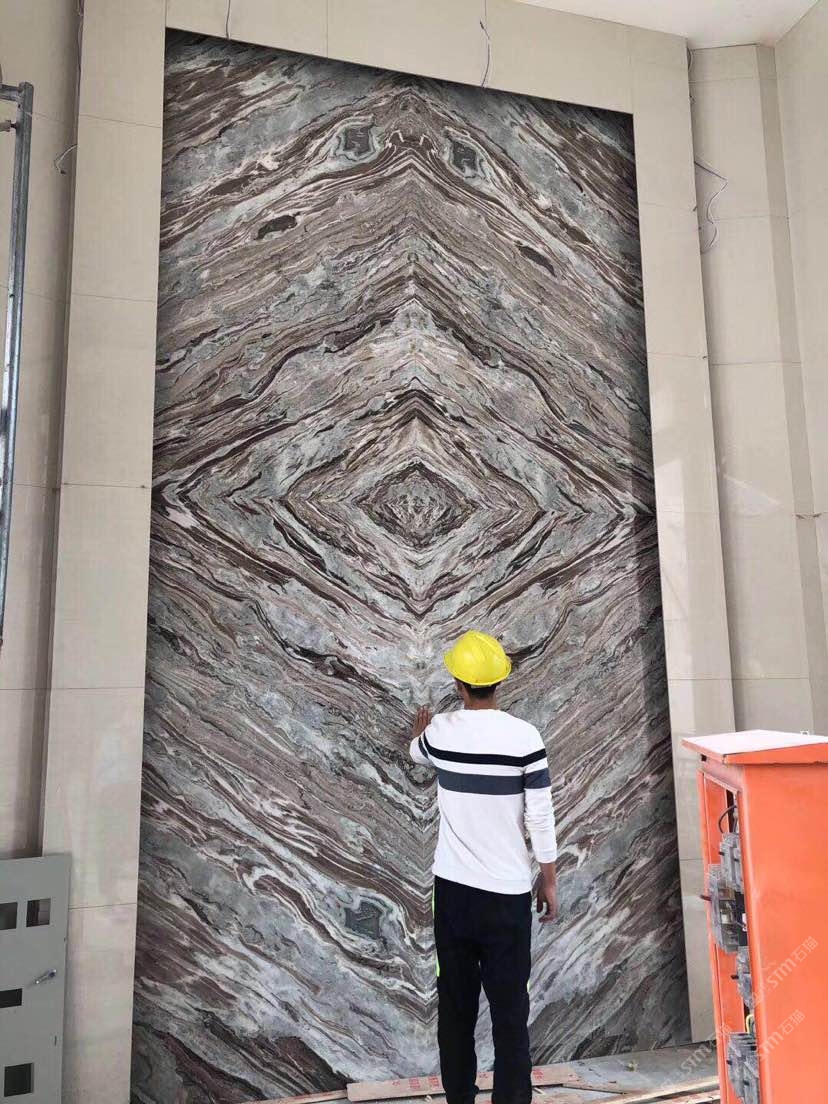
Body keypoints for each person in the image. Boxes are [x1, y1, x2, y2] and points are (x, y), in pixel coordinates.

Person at [410, 629, 558, 1104]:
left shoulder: (439, 733)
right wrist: (548, 880)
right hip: (507, 897)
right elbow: (540, 817)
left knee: (456, 1008)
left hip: (452, 895)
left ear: (458, 685)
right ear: (500, 682)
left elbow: (416, 752)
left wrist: (419, 734)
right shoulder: (525, 738)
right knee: (510, 1010)